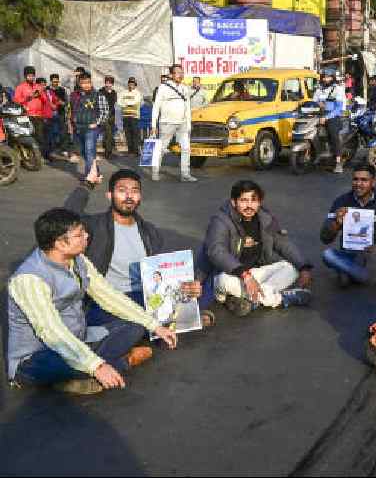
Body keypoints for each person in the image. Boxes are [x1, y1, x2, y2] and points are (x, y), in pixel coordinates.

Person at [7, 208, 177, 395]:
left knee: (135, 327)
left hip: (78, 338)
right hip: (38, 355)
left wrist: (154, 325)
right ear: (60, 244)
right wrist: (96, 366)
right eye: (79, 234)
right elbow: (51, 331)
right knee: (67, 363)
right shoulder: (29, 279)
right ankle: (120, 362)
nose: (87, 236)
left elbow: (108, 295)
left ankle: (81, 373)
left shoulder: (78, 260)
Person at [65, 162, 216, 328]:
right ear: (109, 195)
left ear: (140, 197)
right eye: (122, 191)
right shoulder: (94, 226)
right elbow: (65, 216)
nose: (129, 196)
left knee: (206, 280)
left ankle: (167, 322)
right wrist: (88, 183)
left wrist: (187, 287)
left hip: (147, 296)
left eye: (134, 191)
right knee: (144, 311)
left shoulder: (150, 232)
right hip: (109, 302)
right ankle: (177, 320)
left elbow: (161, 275)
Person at [202, 180, 313, 316]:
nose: (249, 206)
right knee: (222, 281)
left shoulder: (265, 218)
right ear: (234, 202)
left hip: (256, 272)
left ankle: (250, 299)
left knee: (290, 268)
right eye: (244, 200)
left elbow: (282, 243)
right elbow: (216, 251)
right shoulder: (220, 220)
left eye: (253, 200)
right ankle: (282, 298)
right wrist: (246, 276)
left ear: (259, 202)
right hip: (232, 274)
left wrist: (304, 268)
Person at [320, 163, 376, 287]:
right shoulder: (341, 202)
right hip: (350, 254)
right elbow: (325, 238)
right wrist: (336, 223)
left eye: (364, 180)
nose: (358, 184)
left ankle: (348, 272)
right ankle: (366, 277)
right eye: (355, 179)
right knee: (328, 255)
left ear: (373, 182)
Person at [150, 64, 196, 182]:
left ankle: (185, 173)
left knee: (186, 148)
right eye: (178, 72)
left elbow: (187, 107)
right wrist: (153, 125)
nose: (181, 75)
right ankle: (155, 171)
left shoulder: (184, 88)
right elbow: (156, 107)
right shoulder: (163, 87)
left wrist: (189, 124)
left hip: (182, 123)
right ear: (171, 75)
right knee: (161, 148)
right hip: (166, 123)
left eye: (182, 72)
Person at [69, 72, 109, 181]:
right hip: (79, 128)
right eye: (83, 83)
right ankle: (96, 172)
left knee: (89, 150)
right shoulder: (76, 95)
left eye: (88, 82)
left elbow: (105, 112)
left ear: (91, 82)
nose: (86, 85)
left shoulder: (98, 95)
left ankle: (89, 176)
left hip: (92, 129)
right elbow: (72, 110)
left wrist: (97, 123)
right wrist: (72, 123)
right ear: (79, 83)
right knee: (84, 152)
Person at [313, 68, 346, 173]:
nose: (326, 79)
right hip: (320, 114)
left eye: (328, 77)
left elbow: (338, 108)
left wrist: (326, 117)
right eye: (324, 77)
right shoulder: (319, 89)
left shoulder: (337, 89)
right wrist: (318, 104)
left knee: (333, 135)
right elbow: (314, 102)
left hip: (333, 116)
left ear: (333, 78)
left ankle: (338, 162)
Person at [13, 65, 50, 159]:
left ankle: (43, 155)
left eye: (32, 75)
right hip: (25, 116)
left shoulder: (39, 87)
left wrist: (41, 94)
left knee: (40, 136)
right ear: (25, 76)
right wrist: (28, 97)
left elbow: (46, 100)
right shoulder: (20, 87)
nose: (31, 77)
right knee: (28, 136)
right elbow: (16, 100)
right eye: (28, 75)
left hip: (38, 115)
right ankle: (29, 156)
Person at [35, 77, 60, 160]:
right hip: (41, 117)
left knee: (51, 136)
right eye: (40, 84)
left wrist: (55, 105)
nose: (43, 86)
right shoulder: (37, 93)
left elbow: (56, 100)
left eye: (44, 84)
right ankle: (44, 154)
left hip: (50, 116)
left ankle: (49, 153)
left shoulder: (49, 92)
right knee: (43, 137)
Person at [119, 77, 142, 155]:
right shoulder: (123, 92)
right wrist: (127, 102)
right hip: (125, 115)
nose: (131, 85)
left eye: (133, 84)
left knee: (135, 133)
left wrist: (126, 102)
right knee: (127, 133)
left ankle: (136, 151)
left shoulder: (137, 93)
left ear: (135, 85)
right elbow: (119, 102)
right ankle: (130, 150)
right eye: (130, 83)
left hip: (134, 116)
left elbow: (135, 102)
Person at [100, 76, 118, 159]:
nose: (108, 84)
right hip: (104, 115)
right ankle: (108, 152)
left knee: (110, 134)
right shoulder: (101, 91)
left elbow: (114, 102)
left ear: (112, 84)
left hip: (112, 115)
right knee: (108, 133)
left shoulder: (114, 92)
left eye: (110, 83)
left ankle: (108, 150)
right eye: (107, 82)